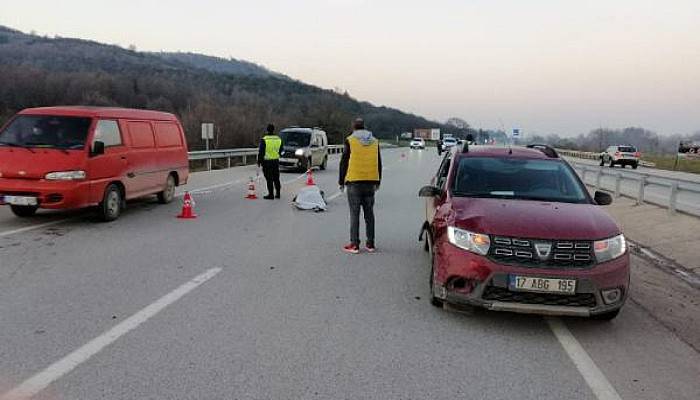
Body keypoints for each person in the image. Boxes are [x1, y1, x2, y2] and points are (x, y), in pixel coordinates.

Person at [339, 118, 382, 254]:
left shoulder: (350, 140)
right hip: (370, 182)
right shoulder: (375, 141)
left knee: (354, 214)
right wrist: (378, 181)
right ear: (364, 127)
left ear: (353, 127)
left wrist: (341, 181)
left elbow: (344, 162)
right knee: (369, 214)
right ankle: (370, 244)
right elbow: (378, 162)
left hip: (354, 181)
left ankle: (354, 244)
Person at [257, 124, 282, 200]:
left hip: (267, 162)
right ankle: (278, 193)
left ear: (267, 130)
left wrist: (259, 161)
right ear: (273, 130)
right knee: (276, 178)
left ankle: (271, 194)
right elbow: (281, 150)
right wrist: (277, 155)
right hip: (275, 161)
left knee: (269, 178)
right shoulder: (278, 139)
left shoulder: (264, 139)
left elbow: (261, 152)